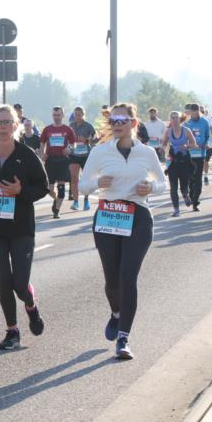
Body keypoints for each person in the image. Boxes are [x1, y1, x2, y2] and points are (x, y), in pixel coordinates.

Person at [78, 102, 167, 360]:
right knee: (112, 279)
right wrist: (96, 183)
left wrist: (150, 187)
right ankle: (116, 313)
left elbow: (162, 182)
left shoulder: (147, 152)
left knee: (128, 278)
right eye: (113, 121)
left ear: (133, 124)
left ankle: (124, 338)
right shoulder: (100, 152)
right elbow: (83, 185)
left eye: (122, 120)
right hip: (108, 215)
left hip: (138, 216)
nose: (117, 125)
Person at [0, 105, 49, 350]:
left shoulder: (27, 155)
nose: (3, 127)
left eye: (7, 122)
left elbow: (42, 187)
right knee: (3, 280)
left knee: (19, 284)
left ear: (16, 125)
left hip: (21, 229)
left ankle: (30, 305)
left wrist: (21, 191)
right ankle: (12, 331)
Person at [161, 110, 199, 216]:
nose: (175, 119)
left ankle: (185, 195)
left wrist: (186, 146)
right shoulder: (168, 131)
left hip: (185, 161)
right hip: (173, 162)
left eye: (176, 117)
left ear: (180, 119)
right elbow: (163, 144)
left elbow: (194, 144)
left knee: (184, 184)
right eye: (172, 118)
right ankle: (176, 210)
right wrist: (164, 149)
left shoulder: (186, 130)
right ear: (170, 120)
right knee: (173, 187)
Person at [40, 106, 76, 214]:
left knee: (61, 190)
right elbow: (42, 142)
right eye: (54, 115)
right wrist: (43, 154)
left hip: (63, 161)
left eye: (58, 115)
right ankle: (55, 199)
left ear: (62, 115)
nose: (56, 117)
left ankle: (56, 210)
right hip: (50, 161)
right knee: (49, 189)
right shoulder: (47, 129)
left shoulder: (68, 129)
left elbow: (73, 143)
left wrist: (69, 149)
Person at [68, 106, 97, 211]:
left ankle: (86, 199)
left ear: (83, 115)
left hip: (85, 155)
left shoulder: (88, 126)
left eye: (79, 114)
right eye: (75, 114)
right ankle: (75, 202)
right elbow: (67, 139)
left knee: (86, 179)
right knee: (74, 178)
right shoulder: (71, 126)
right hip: (74, 154)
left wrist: (87, 140)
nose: (77, 116)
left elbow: (96, 139)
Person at [184, 103, 211, 208]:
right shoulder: (187, 123)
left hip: (200, 154)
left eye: (196, 112)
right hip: (190, 155)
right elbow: (184, 138)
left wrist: (204, 144)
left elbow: (207, 136)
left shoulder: (204, 122)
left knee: (198, 178)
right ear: (190, 112)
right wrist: (188, 145)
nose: (194, 115)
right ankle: (191, 196)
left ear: (198, 111)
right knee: (191, 178)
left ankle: (196, 201)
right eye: (192, 113)